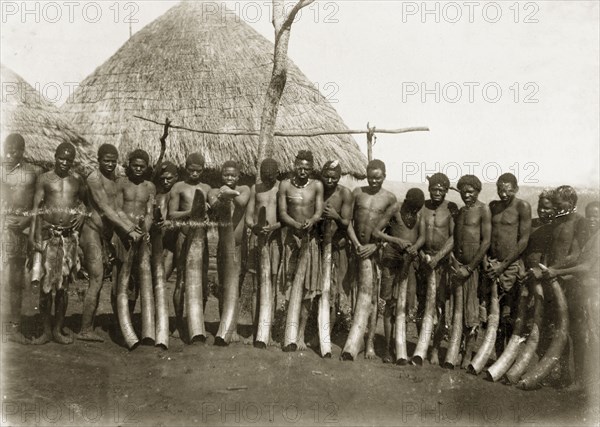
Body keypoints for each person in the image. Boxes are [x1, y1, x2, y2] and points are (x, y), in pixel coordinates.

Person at [78, 144, 143, 342]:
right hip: (91, 232)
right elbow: (105, 208)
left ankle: (97, 326)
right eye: (106, 160)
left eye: (113, 161)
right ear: (98, 160)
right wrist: (127, 229)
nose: (110, 164)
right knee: (97, 279)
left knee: (103, 279)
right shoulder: (94, 178)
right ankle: (85, 329)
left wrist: (132, 227)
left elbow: (118, 209)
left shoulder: (115, 181)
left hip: (106, 235)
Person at [29, 142, 87, 344]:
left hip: (68, 238)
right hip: (47, 236)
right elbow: (36, 208)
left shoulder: (77, 180)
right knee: (46, 286)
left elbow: (84, 202)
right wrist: (33, 236)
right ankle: (45, 331)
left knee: (63, 287)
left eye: (69, 160)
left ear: (72, 161)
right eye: (61, 158)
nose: (64, 162)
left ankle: (58, 330)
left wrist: (82, 213)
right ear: (54, 157)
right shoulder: (44, 179)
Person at [346, 159, 397, 359]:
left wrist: (375, 246)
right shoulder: (357, 193)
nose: (374, 181)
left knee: (374, 299)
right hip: (356, 250)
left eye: (378, 177)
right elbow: (347, 221)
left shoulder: (390, 199)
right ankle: (355, 338)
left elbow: (391, 231)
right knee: (354, 294)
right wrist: (357, 245)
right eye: (370, 177)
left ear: (384, 176)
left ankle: (369, 344)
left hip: (376, 253)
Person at [278, 150, 324, 351]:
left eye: (307, 168)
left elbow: (319, 211)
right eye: (300, 167)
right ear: (294, 165)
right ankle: (287, 330)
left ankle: (301, 333)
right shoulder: (285, 185)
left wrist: (311, 222)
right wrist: (295, 225)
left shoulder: (317, 186)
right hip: (291, 239)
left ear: (312, 168)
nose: (303, 171)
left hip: (310, 240)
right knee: (289, 286)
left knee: (307, 289)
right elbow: (282, 213)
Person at [372, 187, 424, 363]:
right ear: (406, 201)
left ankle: (399, 346)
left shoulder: (419, 214)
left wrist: (415, 247)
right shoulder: (395, 208)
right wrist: (396, 241)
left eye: (415, 210)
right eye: (410, 208)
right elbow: (376, 232)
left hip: (409, 262)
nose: (412, 212)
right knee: (389, 304)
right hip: (391, 260)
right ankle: (387, 348)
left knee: (405, 305)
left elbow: (422, 237)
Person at [0, 134, 43, 343]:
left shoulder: (33, 173)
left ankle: (15, 327)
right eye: (7, 149)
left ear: (23, 151)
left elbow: (39, 204)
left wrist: (26, 222)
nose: (9, 154)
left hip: (21, 231)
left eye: (14, 151)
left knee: (16, 279)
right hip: (3, 227)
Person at [412, 173, 457, 365]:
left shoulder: (451, 209)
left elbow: (454, 237)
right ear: (429, 189)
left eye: (441, 189)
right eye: (434, 188)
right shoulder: (422, 208)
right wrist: (422, 255)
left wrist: (438, 258)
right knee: (422, 304)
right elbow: (415, 234)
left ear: (446, 190)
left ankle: (436, 349)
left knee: (440, 306)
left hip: (442, 264)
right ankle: (421, 343)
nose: (437, 192)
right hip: (423, 262)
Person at [544, 185, 587, 388]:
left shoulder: (580, 223)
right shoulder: (558, 221)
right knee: (557, 329)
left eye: (559, 203)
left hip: (570, 282)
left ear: (570, 203)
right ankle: (562, 374)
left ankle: (579, 379)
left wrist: (553, 269)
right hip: (553, 280)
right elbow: (551, 249)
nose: (555, 206)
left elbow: (576, 255)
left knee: (575, 331)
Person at [485, 173, 531, 354]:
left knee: (507, 311)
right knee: (491, 310)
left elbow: (523, 241)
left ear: (516, 189)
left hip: (509, 265)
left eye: (508, 190)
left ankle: (507, 356)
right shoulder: (493, 206)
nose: (503, 194)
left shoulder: (523, 206)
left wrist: (502, 266)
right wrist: (489, 263)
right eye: (500, 189)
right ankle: (495, 355)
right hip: (492, 264)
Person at [450, 175, 491, 368]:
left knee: (471, 312)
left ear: (477, 191)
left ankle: (468, 355)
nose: (467, 195)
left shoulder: (483, 210)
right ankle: (456, 350)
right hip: (457, 267)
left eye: (471, 191)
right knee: (457, 312)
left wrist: (470, 268)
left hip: (471, 270)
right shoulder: (461, 211)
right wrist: (456, 263)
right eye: (464, 191)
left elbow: (485, 242)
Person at [168, 153, 211, 337]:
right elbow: (171, 215)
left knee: (202, 281)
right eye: (191, 170)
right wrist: (191, 211)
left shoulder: (207, 188)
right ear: (186, 168)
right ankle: (178, 324)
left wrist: (209, 211)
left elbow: (213, 211)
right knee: (181, 281)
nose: (194, 173)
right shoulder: (178, 187)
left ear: (203, 170)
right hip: (184, 237)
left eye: (198, 170)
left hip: (201, 239)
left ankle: (196, 323)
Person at [208, 160, 251, 343]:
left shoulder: (244, 189)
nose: (230, 178)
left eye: (233, 175)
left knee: (236, 283)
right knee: (223, 284)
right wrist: (221, 196)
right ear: (221, 175)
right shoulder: (213, 191)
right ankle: (223, 325)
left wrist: (229, 193)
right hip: (223, 245)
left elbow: (241, 202)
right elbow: (215, 208)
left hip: (239, 245)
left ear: (238, 176)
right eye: (226, 175)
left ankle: (231, 327)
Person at [113, 149, 156, 318]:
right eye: (135, 165)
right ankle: (118, 321)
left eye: (142, 166)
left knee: (135, 279)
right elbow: (117, 208)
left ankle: (128, 317)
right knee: (120, 277)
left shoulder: (150, 187)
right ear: (129, 165)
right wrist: (129, 229)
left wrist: (143, 231)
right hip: (123, 235)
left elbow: (150, 213)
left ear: (147, 167)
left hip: (141, 235)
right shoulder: (121, 183)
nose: (138, 169)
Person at [245, 158, 282, 345]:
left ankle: (268, 330)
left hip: (274, 241)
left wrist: (273, 227)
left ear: (277, 174)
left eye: (271, 177)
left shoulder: (282, 188)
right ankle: (255, 329)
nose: (268, 180)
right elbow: (249, 217)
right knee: (256, 286)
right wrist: (255, 227)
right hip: (257, 240)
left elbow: (284, 216)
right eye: (265, 177)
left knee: (272, 285)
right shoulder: (255, 189)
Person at [320, 160, 353, 332]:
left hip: (337, 249)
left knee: (334, 290)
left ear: (339, 177)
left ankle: (329, 330)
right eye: (326, 176)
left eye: (333, 177)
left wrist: (335, 216)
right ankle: (318, 327)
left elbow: (346, 223)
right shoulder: (318, 190)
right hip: (319, 247)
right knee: (319, 288)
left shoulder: (345, 193)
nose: (330, 180)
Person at [155, 161, 179, 279]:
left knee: (161, 279)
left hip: (171, 243)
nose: (165, 181)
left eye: (169, 178)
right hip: (156, 241)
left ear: (176, 177)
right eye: (163, 178)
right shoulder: (157, 195)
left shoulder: (179, 195)